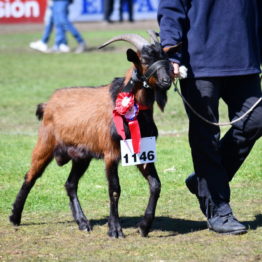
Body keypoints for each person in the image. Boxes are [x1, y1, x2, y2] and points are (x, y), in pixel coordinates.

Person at [158, 0, 262, 235]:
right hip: (199, 64)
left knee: (256, 119)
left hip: (245, 59)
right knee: (206, 137)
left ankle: (203, 182)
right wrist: (172, 53)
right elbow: (172, 8)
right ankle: (218, 208)